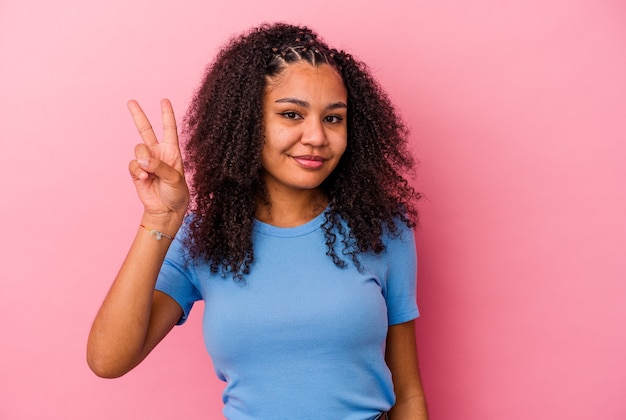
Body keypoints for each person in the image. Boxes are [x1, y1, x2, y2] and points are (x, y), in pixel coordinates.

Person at [87, 23, 428, 419]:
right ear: (247, 124)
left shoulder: (381, 229)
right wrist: (159, 219)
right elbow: (108, 360)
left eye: (333, 119)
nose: (316, 136)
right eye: (291, 114)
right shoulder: (205, 237)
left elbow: (408, 394)